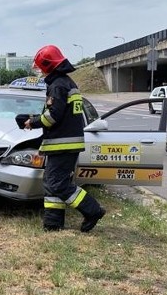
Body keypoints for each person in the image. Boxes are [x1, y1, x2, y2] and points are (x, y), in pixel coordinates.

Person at [24, 44, 106, 233]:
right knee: (52, 183)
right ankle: (53, 224)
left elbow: (52, 117)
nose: (40, 71)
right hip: (65, 144)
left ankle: (92, 210)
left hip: (62, 144)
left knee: (57, 183)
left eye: (40, 67)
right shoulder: (67, 83)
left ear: (47, 66)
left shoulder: (58, 85)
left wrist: (32, 122)